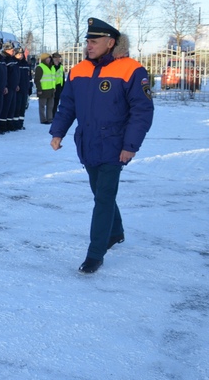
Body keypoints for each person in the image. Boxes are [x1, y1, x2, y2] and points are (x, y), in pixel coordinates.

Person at [49, 17, 154, 274]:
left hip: (115, 145)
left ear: (111, 42)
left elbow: (142, 111)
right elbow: (68, 105)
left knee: (104, 197)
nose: (89, 45)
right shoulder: (79, 69)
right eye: (87, 41)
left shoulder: (131, 69)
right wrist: (58, 132)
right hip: (87, 144)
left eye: (94, 41)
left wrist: (131, 145)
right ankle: (115, 232)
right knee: (100, 192)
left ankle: (95, 253)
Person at [0, 42, 19, 132]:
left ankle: (9, 123)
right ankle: (3, 125)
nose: (13, 52)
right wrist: (6, 85)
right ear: (6, 50)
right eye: (12, 50)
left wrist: (16, 84)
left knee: (12, 107)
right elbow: (4, 75)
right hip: (7, 87)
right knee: (6, 107)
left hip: (13, 87)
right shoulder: (4, 59)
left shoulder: (12, 59)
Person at [34, 53, 56, 124]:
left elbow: (53, 78)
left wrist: (54, 87)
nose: (48, 60)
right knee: (42, 106)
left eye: (49, 58)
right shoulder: (40, 67)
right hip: (43, 90)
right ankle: (43, 119)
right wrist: (39, 89)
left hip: (51, 89)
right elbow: (37, 79)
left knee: (50, 106)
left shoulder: (52, 67)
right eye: (47, 58)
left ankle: (50, 118)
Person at [14, 47, 31, 130]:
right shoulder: (15, 63)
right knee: (16, 107)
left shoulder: (26, 64)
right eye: (18, 54)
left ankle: (20, 123)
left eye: (21, 54)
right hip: (17, 89)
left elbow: (29, 77)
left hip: (25, 88)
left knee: (22, 107)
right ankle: (15, 124)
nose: (20, 56)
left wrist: (29, 87)